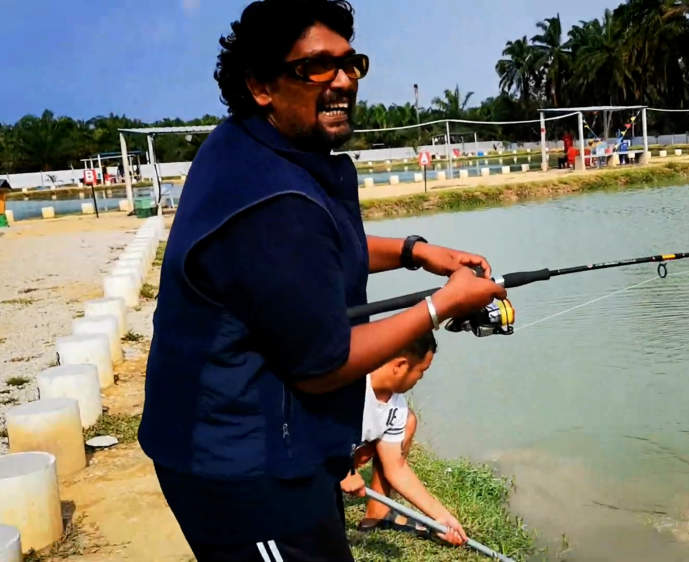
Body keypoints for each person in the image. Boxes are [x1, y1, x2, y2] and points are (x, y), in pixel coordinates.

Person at [137, 1, 507, 561]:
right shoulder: (272, 195)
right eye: (315, 67)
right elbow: (321, 365)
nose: (341, 81)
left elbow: (309, 254)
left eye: (350, 63)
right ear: (261, 84)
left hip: (269, 450)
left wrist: (416, 253)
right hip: (243, 466)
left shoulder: (250, 143)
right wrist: (442, 305)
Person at [339, 331, 467, 546]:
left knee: (409, 421)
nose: (421, 378)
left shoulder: (395, 403)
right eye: (421, 371)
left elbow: (396, 467)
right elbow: (302, 433)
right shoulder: (348, 384)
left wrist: (440, 516)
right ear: (399, 365)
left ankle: (377, 515)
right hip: (299, 461)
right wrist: (340, 471)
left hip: (339, 453)